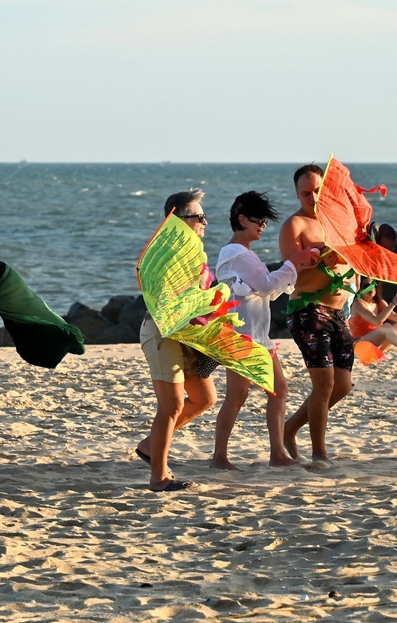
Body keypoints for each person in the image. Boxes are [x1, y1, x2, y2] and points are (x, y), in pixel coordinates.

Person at [212, 191, 319, 470]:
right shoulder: (235, 253)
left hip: (257, 336)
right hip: (241, 337)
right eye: (259, 220)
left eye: (265, 221)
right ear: (242, 219)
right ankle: (220, 458)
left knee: (278, 389)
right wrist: (294, 262)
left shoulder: (242, 254)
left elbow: (266, 290)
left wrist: (295, 267)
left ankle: (277, 454)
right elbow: (268, 285)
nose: (263, 225)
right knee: (238, 395)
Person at [135, 188, 218, 491]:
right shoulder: (165, 252)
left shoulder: (192, 253)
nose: (205, 222)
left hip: (187, 333)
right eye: (200, 216)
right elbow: (162, 296)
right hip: (162, 331)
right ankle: (159, 477)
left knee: (205, 398)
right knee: (171, 406)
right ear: (178, 219)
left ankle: (149, 446)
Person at [279, 164, 355, 464]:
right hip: (308, 311)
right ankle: (319, 455)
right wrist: (323, 257)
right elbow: (291, 269)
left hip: (339, 312)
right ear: (297, 194)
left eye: (317, 190)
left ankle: (290, 427)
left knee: (343, 385)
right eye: (305, 192)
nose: (312, 197)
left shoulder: (339, 223)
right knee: (323, 385)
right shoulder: (294, 225)